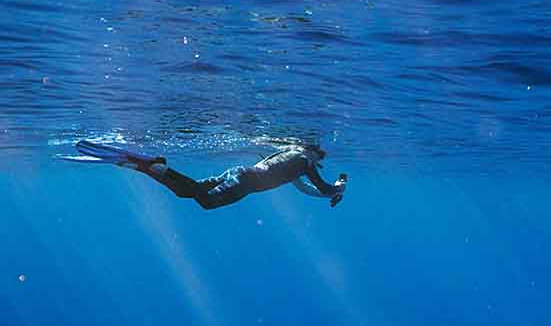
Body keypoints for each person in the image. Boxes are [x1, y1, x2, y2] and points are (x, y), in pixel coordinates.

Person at [74, 140, 347, 209]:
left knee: (189, 192)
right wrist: (339, 186)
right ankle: (155, 165)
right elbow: (321, 188)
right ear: (314, 154)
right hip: (247, 182)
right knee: (203, 201)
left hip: (241, 172)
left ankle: (144, 166)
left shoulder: (291, 156)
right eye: (320, 156)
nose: (320, 161)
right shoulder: (304, 163)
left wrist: (332, 191)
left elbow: (304, 189)